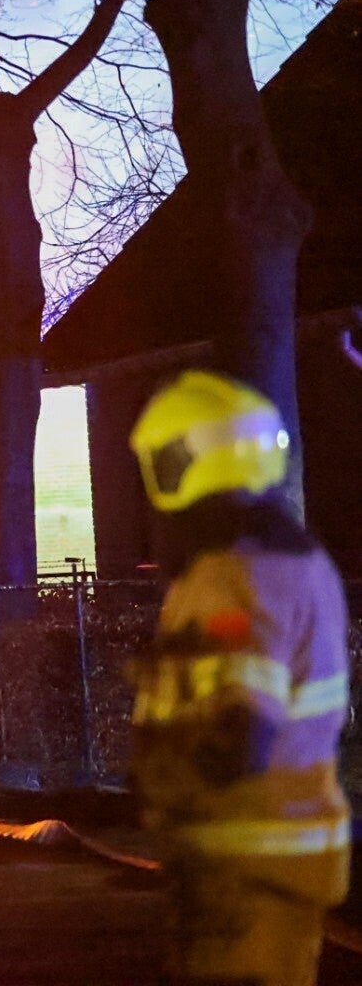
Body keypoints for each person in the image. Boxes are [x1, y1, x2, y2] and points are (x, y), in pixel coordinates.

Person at [127, 370, 350, 986]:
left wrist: (161, 777)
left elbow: (239, 728)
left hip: (244, 858)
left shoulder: (233, 574)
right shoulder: (299, 562)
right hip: (279, 850)